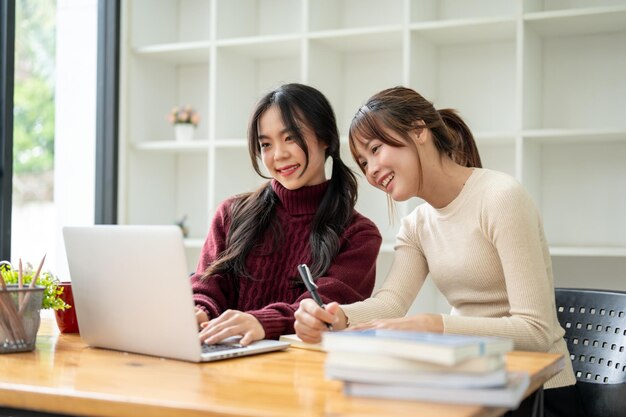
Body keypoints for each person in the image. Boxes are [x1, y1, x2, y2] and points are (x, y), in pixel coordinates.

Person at [294, 86, 583, 417]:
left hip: (537, 393)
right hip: (473, 384)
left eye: (375, 149)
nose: (371, 169)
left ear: (419, 130)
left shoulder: (501, 198)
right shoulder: (416, 225)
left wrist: (435, 326)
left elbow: (537, 332)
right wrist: (338, 317)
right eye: (363, 162)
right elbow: (392, 303)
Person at [191, 83, 382, 347]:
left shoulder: (359, 234)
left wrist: (261, 321)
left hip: (304, 375)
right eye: (266, 144)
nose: (278, 155)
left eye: (290, 137)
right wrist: (199, 311)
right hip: (225, 363)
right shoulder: (231, 214)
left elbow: (323, 309)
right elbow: (208, 287)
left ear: (325, 137)